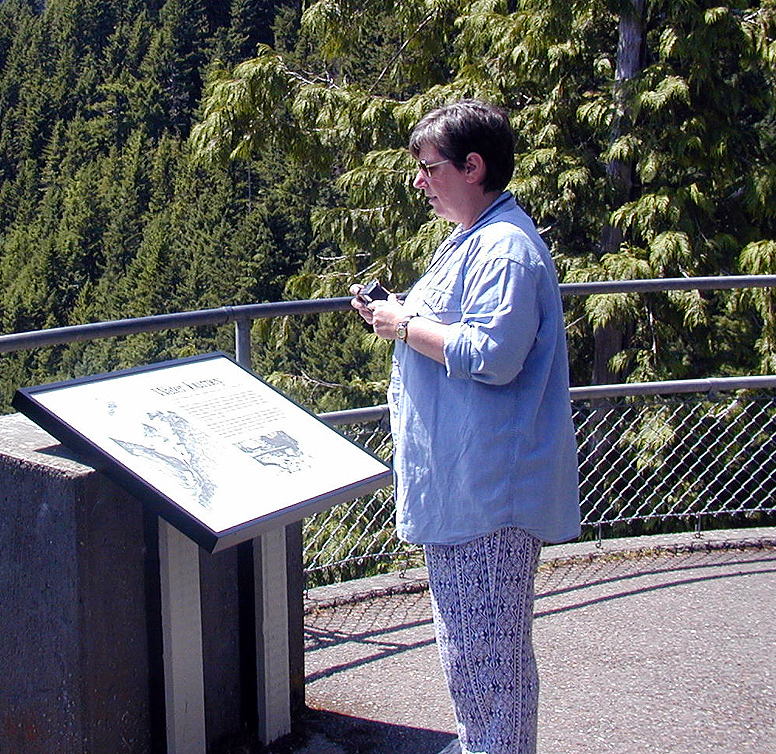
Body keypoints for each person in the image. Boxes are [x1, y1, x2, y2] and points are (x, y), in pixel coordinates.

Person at [350, 100, 581, 754]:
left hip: (487, 494)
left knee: (490, 660)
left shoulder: (504, 249)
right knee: (474, 653)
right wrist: (397, 313)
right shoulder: (477, 237)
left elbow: (494, 355)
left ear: (473, 166)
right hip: (467, 490)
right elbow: (457, 328)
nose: (419, 181)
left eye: (428, 167)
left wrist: (401, 325)